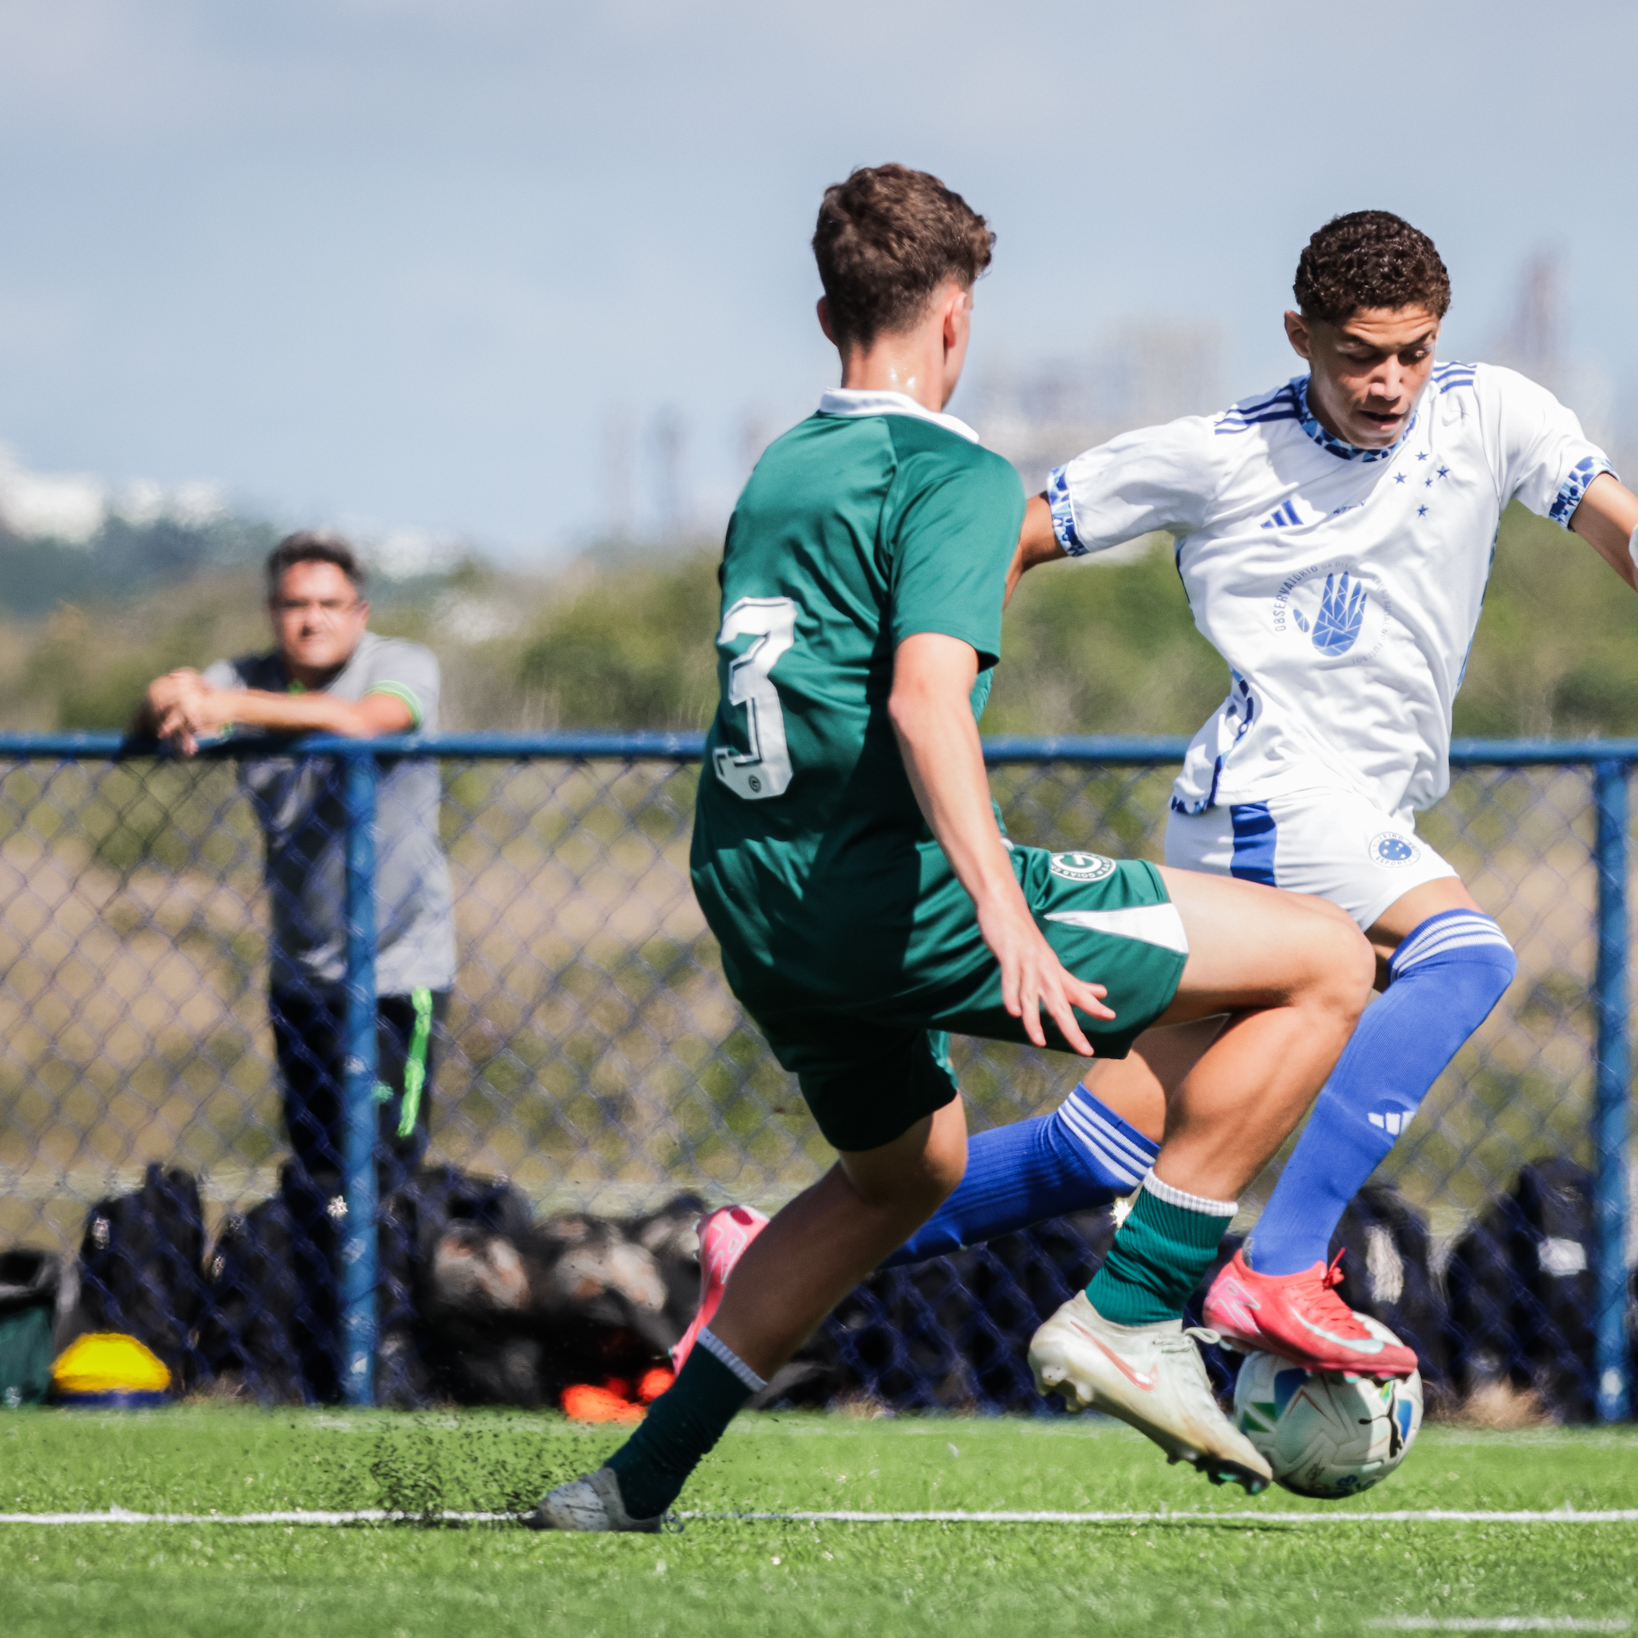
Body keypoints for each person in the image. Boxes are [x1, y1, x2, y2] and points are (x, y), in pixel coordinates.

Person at [664, 211, 1638, 1387]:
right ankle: (1279, 1264)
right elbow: (1007, 535)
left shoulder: (1496, 412)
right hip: (1267, 793)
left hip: (1356, 806)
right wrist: (915, 678)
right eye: (1358, 353)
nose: (1387, 381)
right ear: (1297, 335)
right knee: (1459, 957)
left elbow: (1637, 554)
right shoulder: (1217, 452)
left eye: (1411, 352)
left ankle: (759, 1254)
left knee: (1104, 1140)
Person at [530, 164, 1374, 1533]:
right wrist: (1005, 916)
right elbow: (926, 699)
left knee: (904, 1174)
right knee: (1326, 961)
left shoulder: (782, 465)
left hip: (751, 886)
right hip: (885, 888)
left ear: (826, 312)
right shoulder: (956, 471)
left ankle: (630, 1481)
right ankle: (1136, 1306)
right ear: (957, 317)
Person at [134, 530, 455, 1399]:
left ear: (359, 612)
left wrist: (224, 705)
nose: (310, 621)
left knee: (381, 1169)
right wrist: (172, 694)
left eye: (327, 604)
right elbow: (161, 716)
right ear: (274, 614)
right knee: (318, 1170)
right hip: (301, 976)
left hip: (397, 973)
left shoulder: (401, 666)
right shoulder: (244, 678)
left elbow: (361, 725)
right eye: (293, 605)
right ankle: (322, 1353)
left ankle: (387, 1352)